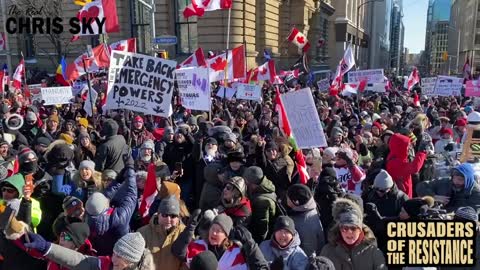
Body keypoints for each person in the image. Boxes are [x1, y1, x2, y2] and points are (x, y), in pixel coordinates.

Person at [23, 231, 155, 270]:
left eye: (120, 257)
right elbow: (78, 260)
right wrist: (47, 247)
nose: (114, 258)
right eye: (114, 253)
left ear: (131, 261)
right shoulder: (104, 264)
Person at [320, 198, 387, 270]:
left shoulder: (373, 253)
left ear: (360, 229)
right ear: (339, 229)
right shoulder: (327, 251)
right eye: (345, 228)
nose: (349, 232)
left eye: (353, 228)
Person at [85, 166, 137, 256]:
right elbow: (131, 195)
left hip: (101, 255)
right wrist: (131, 170)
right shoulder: (119, 217)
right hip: (120, 255)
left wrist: (117, 181)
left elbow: (104, 197)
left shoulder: (88, 217)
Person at [138, 195, 185, 269]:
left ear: (178, 217)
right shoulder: (142, 233)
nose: (168, 220)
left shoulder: (185, 234)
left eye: (173, 216)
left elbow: (187, 264)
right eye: (164, 215)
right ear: (158, 215)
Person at [286, 184, 325, 257]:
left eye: (288, 197)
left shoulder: (305, 223)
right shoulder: (308, 209)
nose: (286, 198)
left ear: (295, 202)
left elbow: (309, 252)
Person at [386, 133, 427, 198]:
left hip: (403, 190)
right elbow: (415, 168)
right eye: (407, 146)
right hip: (402, 194)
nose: (409, 148)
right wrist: (421, 153)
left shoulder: (396, 155)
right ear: (400, 147)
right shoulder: (395, 162)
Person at [243, 166, 277, 243]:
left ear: (252, 184)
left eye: (246, 181)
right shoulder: (266, 186)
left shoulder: (262, 202)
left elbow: (262, 230)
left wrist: (256, 243)